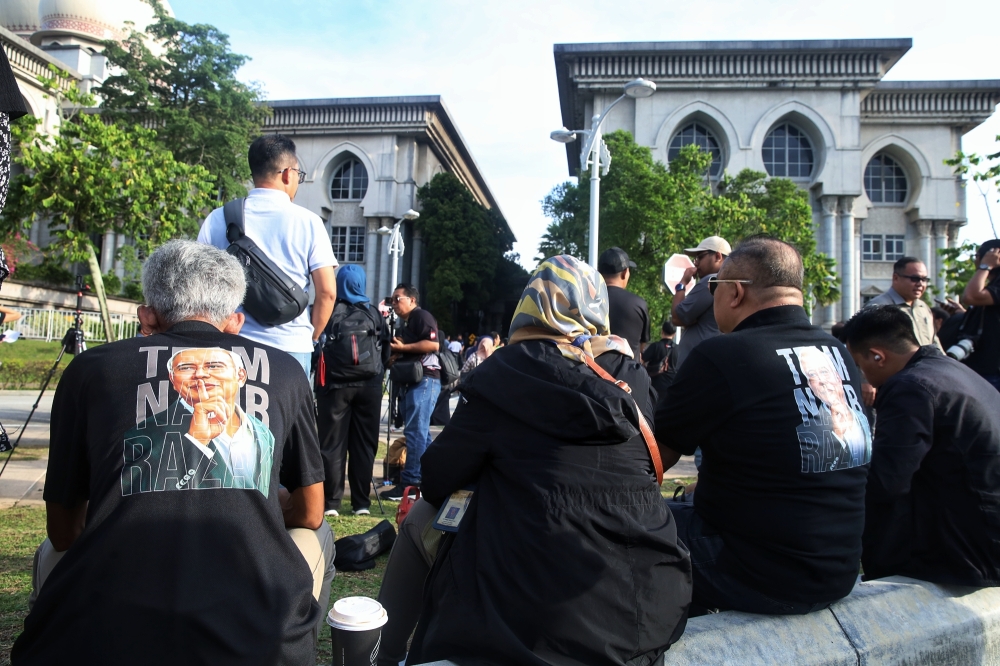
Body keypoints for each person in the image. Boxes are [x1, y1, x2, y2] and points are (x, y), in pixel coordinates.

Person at [12, 240, 332, 665]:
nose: (203, 380)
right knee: (319, 534)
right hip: (256, 641)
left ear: (147, 318)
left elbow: (64, 532)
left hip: (96, 638)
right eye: (188, 370)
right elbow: (310, 513)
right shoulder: (287, 372)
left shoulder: (89, 370)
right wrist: (263, 506)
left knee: (51, 553)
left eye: (214, 370)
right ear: (235, 324)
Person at [395, 254, 690, 666]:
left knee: (419, 520)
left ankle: (381, 653)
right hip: (641, 608)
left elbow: (438, 477)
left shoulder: (505, 372)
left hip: (524, 617)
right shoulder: (629, 371)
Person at [657, 236, 870, 615]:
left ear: (735, 292)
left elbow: (653, 461)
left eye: (714, 287)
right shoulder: (838, 354)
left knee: (606, 527)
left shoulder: (723, 355)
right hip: (838, 570)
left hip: (759, 574)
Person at [841, 305, 1000, 586]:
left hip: (972, 553)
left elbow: (887, 480)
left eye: (859, 364)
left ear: (878, 356)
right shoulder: (953, 370)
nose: (861, 374)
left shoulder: (909, 387)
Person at [197, 134, 338, 376]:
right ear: (287, 174)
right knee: (289, 414)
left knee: (233, 414)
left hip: (231, 349)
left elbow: (198, 284)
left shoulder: (217, 219)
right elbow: (327, 292)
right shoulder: (309, 223)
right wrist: (310, 337)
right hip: (290, 349)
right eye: (298, 175)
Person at [315, 264, 388, 517]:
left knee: (332, 444)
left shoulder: (331, 312)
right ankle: (361, 504)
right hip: (369, 385)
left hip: (334, 386)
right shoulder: (374, 313)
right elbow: (385, 349)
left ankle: (332, 503)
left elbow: (316, 346)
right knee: (364, 445)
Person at [381, 283, 441, 500]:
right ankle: (430, 479)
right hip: (415, 381)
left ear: (412, 300)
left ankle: (411, 485)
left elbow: (433, 345)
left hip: (425, 379)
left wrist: (402, 349)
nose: (394, 303)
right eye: (393, 299)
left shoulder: (421, 316)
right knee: (421, 435)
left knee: (415, 433)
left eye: (398, 299)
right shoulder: (408, 322)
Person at [672, 235, 731, 368]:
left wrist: (682, 284)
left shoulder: (711, 280)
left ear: (718, 256)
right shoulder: (731, 281)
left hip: (697, 365)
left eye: (700, 256)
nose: (696, 263)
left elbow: (677, 318)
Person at [867, 257, 942, 350]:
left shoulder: (923, 308)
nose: (920, 284)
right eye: (915, 279)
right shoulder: (878, 307)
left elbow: (934, 343)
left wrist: (946, 363)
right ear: (896, 278)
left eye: (924, 279)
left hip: (927, 364)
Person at [960, 239, 1000, 391]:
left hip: (993, 371)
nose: (975, 260)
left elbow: (971, 296)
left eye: (977, 256)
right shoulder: (993, 286)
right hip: (984, 369)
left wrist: (985, 266)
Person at [598, 246, 649, 357]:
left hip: (590, 370)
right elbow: (642, 346)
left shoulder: (584, 301)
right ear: (625, 273)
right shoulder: (638, 304)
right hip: (627, 371)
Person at [642, 320, 678, 398]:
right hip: (672, 386)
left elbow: (641, 360)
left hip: (655, 386)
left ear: (662, 331)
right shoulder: (678, 349)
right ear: (674, 334)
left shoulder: (655, 346)